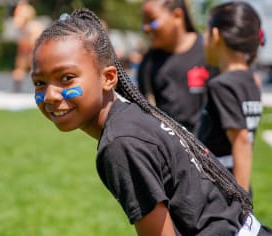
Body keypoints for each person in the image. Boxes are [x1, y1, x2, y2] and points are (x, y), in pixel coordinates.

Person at [30, 8, 272, 235]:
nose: (50, 95)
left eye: (67, 78)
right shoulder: (132, 118)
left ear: (108, 78)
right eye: (40, 82)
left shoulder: (121, 144)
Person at [197, 1, 264, 196]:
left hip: (223, 190)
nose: (204, 38)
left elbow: (241, 140)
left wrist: (240, 203)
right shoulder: (251, 80)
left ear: (216, 36)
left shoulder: (222, 85)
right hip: (237, 182)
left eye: (206, 32)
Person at [137, 0, 212, 133]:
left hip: (206, 148)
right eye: (144, 23)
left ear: (177, 16)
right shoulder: (149, 62)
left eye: (152, 21)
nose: (146, 28)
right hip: (168, 148)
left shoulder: (208, 53)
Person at [11, 0, 44, 93]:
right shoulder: (24, 9)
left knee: (32, 67)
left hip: (29, 41)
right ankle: (18, 89)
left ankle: (19, 89)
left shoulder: (24, 9)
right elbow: (18, 23)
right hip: (28, 41)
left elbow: (18, 23)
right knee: (23, 68)